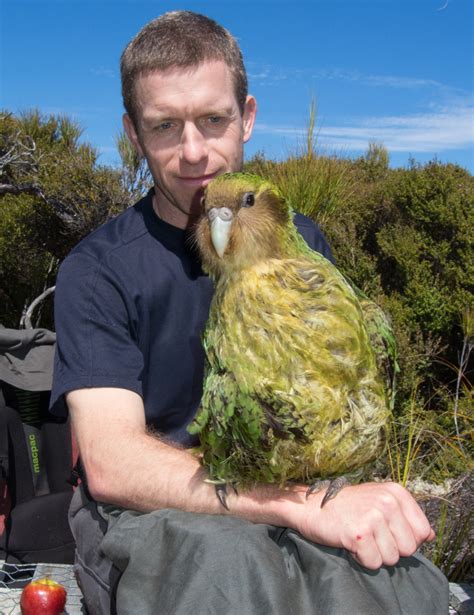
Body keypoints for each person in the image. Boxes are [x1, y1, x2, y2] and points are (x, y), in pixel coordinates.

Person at [51, 10, 449, 615]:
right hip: (155, 511)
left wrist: (332, 497)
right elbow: (111, 464)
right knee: (228, 577)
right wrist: (296, 507)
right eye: (164, 126)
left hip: (293, 488)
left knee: (390, 583)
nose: (193, 153)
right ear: (132, 134)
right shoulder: (98, 269)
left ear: (248, 118)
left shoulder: (304, 243)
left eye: (213, 119)